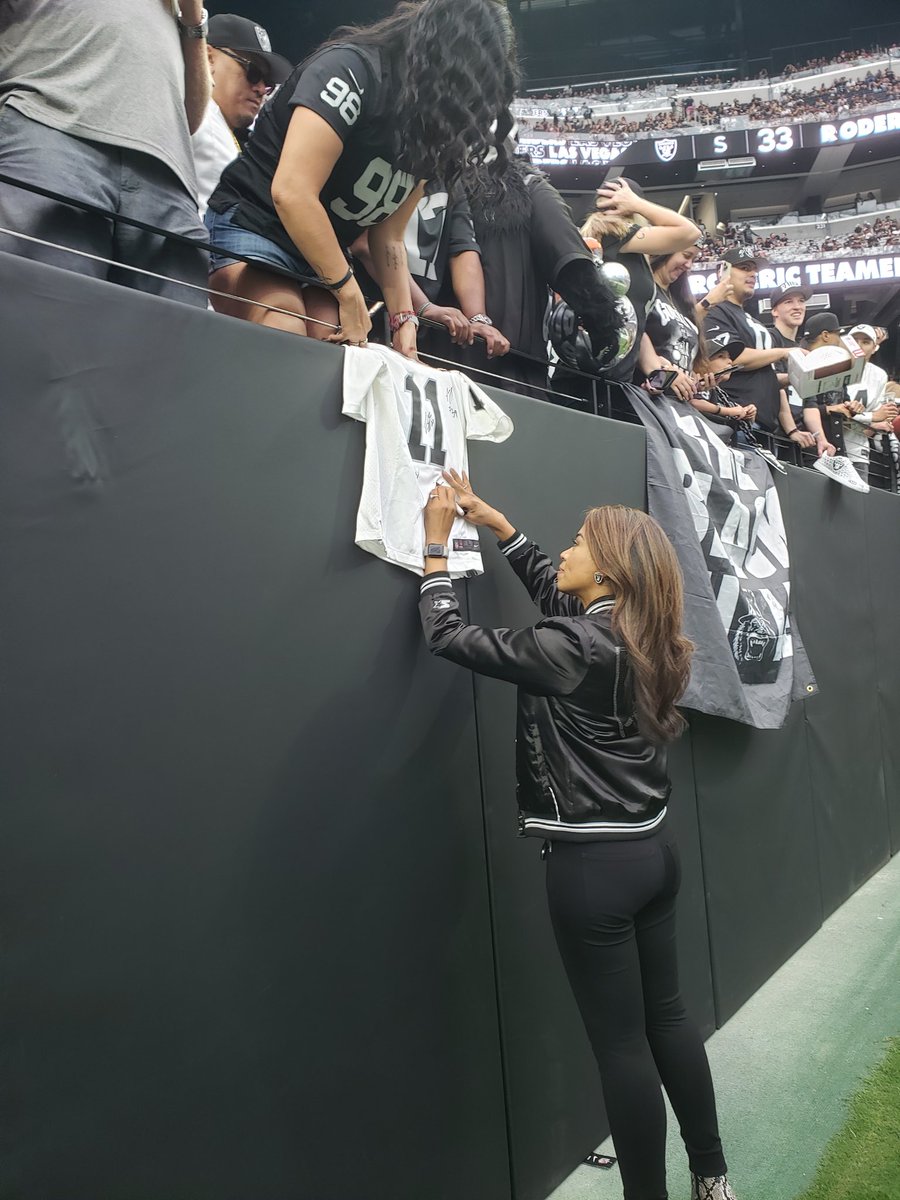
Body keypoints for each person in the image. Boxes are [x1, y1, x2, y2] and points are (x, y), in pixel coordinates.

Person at [418, 470, 739, 1200]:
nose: (564, 551)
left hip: (593, 869)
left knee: (622, 1047)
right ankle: (712, 1178)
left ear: (611, 569)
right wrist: (501, 526)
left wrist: (436, 550)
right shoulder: (645, 629)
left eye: (578, 543)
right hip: (655, 853)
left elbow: (447, 634)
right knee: (669, 1018)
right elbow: (558, 601)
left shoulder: (576, 645)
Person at [204, 0, 519, 357]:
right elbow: (292, 192)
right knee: (286, 332)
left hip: (315, 254)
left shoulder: (433, 127)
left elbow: (388, 235)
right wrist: (347, 289)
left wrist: (404, 320)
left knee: (338, 352)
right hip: (254, 223)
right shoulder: (352, 69)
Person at [0, 0, 211, 305]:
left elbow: (191, 115)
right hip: (50, 128)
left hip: (168, 170)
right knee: (37, 320)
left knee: (170, 342)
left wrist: (192, 17)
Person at [582, 178, 700, 394]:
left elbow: (636, 319)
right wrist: (638, 204)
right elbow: (690, 233)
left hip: (617, 377)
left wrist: (656, 372)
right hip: (595, 377)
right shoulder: (610, 233)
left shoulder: (630, 253)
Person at [701, 251, 816, 450]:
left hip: (764, 426)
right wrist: (784, 352)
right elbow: (734, 360)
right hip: (736, 421)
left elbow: (765, 376)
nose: (753, 274)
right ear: (723, 271)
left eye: (754, 270)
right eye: (745, 268)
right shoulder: (716, 310)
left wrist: (793, 377)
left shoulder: (751, 321)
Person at [191, 14, 292, 218]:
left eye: (268, 82)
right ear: (209, 58)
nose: (262, 89)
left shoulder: (229, 131)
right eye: (253, 72)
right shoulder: (190, 112)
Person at [768, 285, 836, 458]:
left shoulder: (800, 349)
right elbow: (771, 383)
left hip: (801, 438)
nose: (797, 306)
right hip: (774, 435)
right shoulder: (769, 338)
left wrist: (821, 438)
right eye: (789, 302)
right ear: (775, 311)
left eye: (801, 301)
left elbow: (810, 403)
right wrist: (792, 430)